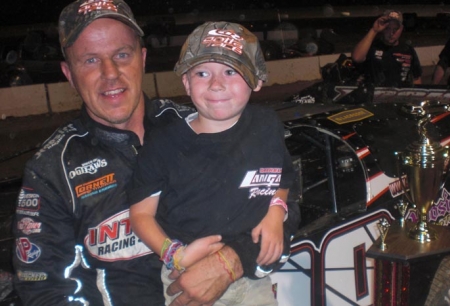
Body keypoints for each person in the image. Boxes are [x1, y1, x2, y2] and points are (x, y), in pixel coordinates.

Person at [12, 1, 300, 305]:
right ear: (69, 73)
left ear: (142, 58)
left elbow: (284, 200)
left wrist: (232, 262)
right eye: (90, 60)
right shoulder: (50, 169)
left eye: (122, 55)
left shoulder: (204, 124)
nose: (110, 73)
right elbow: (41, 291)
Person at [128, 21, 297, 305]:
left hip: (253, 280)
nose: (216, 84)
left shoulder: (267, 126)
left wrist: (276, 213)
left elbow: (284, 179)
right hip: (189, 279)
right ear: (186, 82)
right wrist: (174, 254)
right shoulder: (163, 143)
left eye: (230, 71)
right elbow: (140, 215)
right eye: (202, 73)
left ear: (256, 80)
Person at [352, 10, 422, 88]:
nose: (391, 33)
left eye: (395, 29)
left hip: (399, 96)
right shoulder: (372, 47)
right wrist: (374, 30)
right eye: (388, 29)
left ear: (401, 29)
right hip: (375, 96)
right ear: (382, 29)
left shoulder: (408, 50)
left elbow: (417, 78)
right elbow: (357, 58)